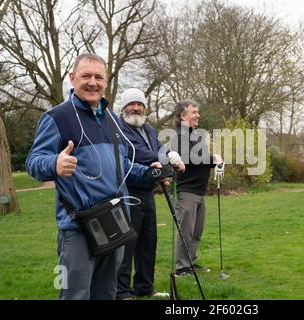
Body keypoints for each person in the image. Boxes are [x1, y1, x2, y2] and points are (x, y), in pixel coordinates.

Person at [26, 53, 161, 300]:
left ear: (106, 81)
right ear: (72, 78)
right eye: (85, 76)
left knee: (107, 293)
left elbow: (123, 166)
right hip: (78, 226)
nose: (92, 82)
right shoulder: (56, 117)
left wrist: (152, 172)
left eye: (98, 77)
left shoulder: (112, 119)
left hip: (114, 220)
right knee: (74, 294)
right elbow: (33, 162)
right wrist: (54, 162)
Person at [114, 88, 185, 299]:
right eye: (131, 104)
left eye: (139, 105)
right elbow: (134, 152)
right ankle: (123, 291)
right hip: (129, 191)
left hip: (148, 190)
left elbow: (159, 150)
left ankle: (144, 287)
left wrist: (167, 162)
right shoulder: (119, 129)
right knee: (128, 243)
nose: (136, 108)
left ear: (145, 108)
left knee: (148, 241)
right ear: (124, 107)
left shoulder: (150, 129)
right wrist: (164, 156)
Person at [170, 100, 224, 277]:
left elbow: (201, 158)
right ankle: (181, 268)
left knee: (196, 231)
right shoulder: (179, 137)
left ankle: (190, 263)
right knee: (185, 231)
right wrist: (213, 158)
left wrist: (213, 160)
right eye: (194, 112)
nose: (198, 115)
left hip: (199, 192)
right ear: (183, 116)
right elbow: (190, 158)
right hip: (186, 192)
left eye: (197, 112)